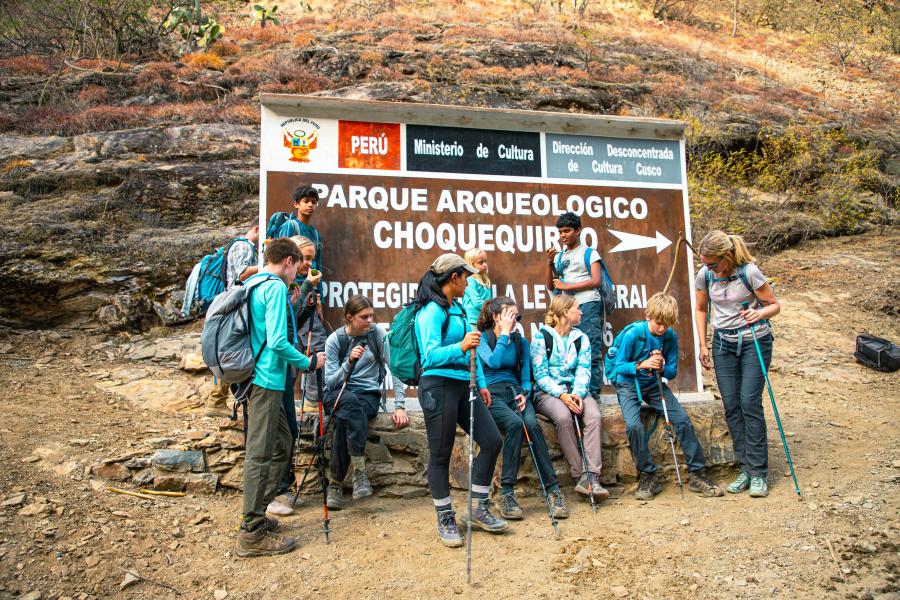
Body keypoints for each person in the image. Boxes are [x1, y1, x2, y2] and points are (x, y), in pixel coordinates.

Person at [236, 238, 325, 558]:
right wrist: (309, 362)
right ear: (288, 261)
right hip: (266, 381)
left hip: (263, 380)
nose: (300, 271)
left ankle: (258, 515)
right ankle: (251, 532)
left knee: (282, 443)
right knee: (261, 453)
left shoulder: (257, 283)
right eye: (299, 264)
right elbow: (276, 341)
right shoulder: (272, 287)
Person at [414, 253, 507, 547]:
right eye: (465, 277)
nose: (469, 281)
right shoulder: (431, 311)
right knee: (441, 454)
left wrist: (480, 382)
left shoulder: (459, 308)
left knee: (492, 440)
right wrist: (461, 345)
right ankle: (445, 517)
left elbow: (472, 348)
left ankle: (478, 507)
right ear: (453, 278)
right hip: (437, 384)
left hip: (464, 385)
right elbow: (429, 356)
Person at [607, 292, 723, 500]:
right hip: (628, 383)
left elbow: (671, 372)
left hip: (653, 384)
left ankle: (697, 473)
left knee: (682, 420)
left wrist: (661, 367)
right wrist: (642, 364)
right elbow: (617, 367)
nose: (662, 329)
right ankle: (648, 475)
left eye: (667, 324)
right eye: (659, 323)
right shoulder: (634, 334)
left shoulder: (669, 336)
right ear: (648, 316)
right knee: (634, 426)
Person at [695, 231, 780, 498]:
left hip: (754, 340)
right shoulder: (705, 275)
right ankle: (744, 468)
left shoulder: (749, 272)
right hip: (723, 344)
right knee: (731, 406)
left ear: (727, 256)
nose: (708, 268)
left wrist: (759, 312)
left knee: (749, 403)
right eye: (705, 263)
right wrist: (702, 344)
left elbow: (774, 305)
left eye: (712, 263)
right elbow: (700, 308)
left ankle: (758, 472)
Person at [476, 297, 569, 521]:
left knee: (532, 425)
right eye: (510, 315)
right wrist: (505, 334)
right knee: (515, 425)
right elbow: (494, 363)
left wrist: (524, 393)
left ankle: (553, 490)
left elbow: (526, 376)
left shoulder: (521, 342)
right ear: (496, 317)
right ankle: (507, 493)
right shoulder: (483, 339)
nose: (515, 320)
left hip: (516, 393)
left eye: (517, 316)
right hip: (492, 394)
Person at [323, 295, 409, 509]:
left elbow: (395, 368)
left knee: (346, 417)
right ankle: (359, 473)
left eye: (371, 315)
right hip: (339, 392)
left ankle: (335, 484)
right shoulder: (335, 340)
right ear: (349, 318)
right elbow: (330, 381)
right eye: (364, 317)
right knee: (348, 405)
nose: (370, 320)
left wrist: (400, 405)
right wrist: (349, 362)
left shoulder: (377, 334)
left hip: (367, 395)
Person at [531, 294, 609, 503]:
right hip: (548, 393)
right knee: (563, 417)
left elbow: (584, 369)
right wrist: (562, 395)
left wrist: (576, 393)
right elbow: (540, 375)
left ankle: (592, 475)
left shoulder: (581, 338)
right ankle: (579, 474)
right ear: (565, 312)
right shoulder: (541, 338)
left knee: (593, 416)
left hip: (577, 391)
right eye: (577, 308)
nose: (581, 312)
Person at [265, 235, 321, 517]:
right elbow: (281, 331)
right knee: (279, 432)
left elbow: (293, 320)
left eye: (311, 259)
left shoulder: (291, 286)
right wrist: (309, 363)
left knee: (288, 428)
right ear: (291, 259)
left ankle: (280, 488)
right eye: (304, 258)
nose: (307, 264)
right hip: (271, 371)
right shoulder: (279, 287)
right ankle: (276, 491)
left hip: (283, 370)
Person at [276, 185, 328, 409]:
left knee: (314, 344)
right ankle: (299, 399)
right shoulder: (290, 226)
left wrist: (319, 298)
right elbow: (280, 258)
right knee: (297, 343)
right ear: (296, 204)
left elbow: (317, 266)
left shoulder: (314, 233)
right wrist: (301, 288)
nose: (310, 205)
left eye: (314, 201)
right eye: (306, 200)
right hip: (294, 291)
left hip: (309, 293)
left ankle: (311, 400)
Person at [545, 212, 605, 400]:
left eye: (567, 231)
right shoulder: (559, 256)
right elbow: (551, 285)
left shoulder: (589, 253)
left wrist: (568, 286)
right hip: (566, 308)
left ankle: (593, 394)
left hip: (587, 305)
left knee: (592, 350)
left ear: (578, 231)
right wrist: (549, 263)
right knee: (570, 350)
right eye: (560, 232)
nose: (563, 235)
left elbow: (596, 281)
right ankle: (574, 391)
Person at [205, 224, 260, 418]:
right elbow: (242, 273)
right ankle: (216, 400)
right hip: (236, 306)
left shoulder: (237, 245)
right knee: (231, 351)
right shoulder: (244, 246)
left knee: (229, 350)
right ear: (256, 228)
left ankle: (219, 400)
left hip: (232, 305)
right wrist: (266, 267)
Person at [462, 248, 492, 327]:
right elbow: (477, 302)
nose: (485, 264)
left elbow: (489, 300)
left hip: (484, 319)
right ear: (471, 265)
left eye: (485, 261)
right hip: (473, 320)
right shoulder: (470, 280)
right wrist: (492, 308)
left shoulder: (486, 280)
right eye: (480, 262)